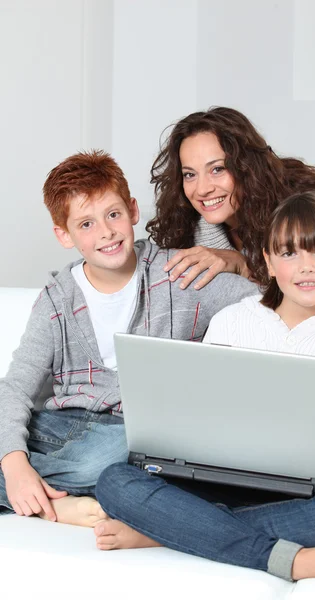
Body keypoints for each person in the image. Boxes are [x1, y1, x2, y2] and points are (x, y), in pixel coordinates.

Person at [94, 191, 315, 582]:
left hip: (304, 497)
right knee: (114, 480)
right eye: (289, 254)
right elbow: (198, 413)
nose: (306, 267)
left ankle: (170, 531)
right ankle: (287, 558)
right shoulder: (232, 320)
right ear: (269, 262)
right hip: (215, 481)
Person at [0, 150, 258, 526]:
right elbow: (16, 388)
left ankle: (45, 498)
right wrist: (14, 464)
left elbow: (278, 300)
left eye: (113, 214)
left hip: (131, 434)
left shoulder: (179, 275)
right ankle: (50, 501)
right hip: (62, 428)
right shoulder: (56, 300)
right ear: (64, 234)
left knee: (129, 456)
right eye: (85, 224)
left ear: (133, 211)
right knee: (85, 459)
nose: (105, 232)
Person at [147, 106, 315, 374]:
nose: (202, 188)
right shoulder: (194, 226)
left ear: (245, 167)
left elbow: (305, 291)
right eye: (190, 174)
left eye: (217, 169)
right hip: (306, 281)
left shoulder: (296, 210)